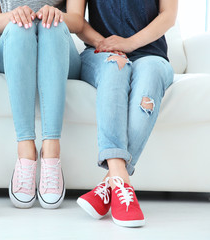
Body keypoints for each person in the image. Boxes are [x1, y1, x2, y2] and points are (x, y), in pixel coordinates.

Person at [76, 0, 178, 227]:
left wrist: (130, 43)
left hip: (151, 55)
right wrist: (107, 44)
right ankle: (121, 183)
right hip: (100, 52)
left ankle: (111, 182)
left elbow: (169, 15)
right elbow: (76, 20)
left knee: (150, 72)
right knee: (116, 65)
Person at [0, 0, 84, 209]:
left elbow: (77, 21)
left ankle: (51, 151)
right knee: (20, 26)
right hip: (12, 49)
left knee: (53, 25)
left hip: (58, 49)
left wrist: (56, 14)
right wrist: (15, 16)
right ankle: (26, 152)